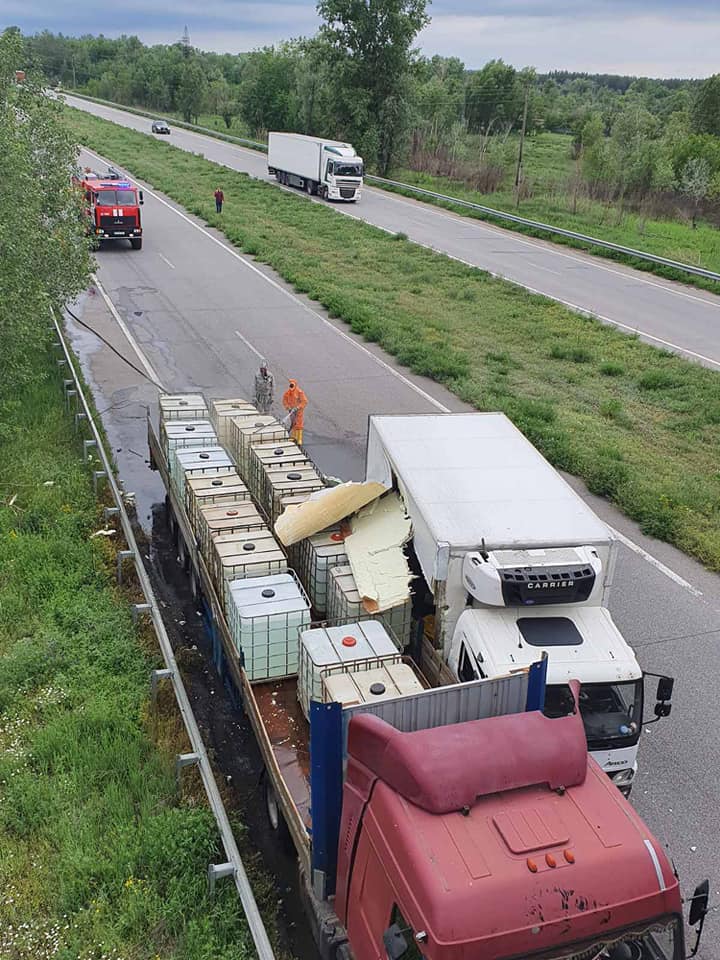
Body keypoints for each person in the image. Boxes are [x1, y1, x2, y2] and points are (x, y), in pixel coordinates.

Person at [282, 378, 308, 445]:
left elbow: (304, 401)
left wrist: (298, 407)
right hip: (291, 411)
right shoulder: (287, 393)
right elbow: (284, 401)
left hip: (298, 411)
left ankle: (299, 438)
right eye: (290, 385)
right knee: (293, 423)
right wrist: (288, 407)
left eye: (292, 385)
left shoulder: (299, 392)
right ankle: (294, 437)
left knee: (299, 424)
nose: (291, 387)